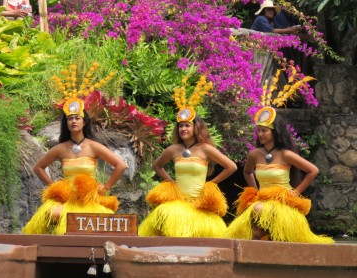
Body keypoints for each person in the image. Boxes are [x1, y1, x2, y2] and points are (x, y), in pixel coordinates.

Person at [138, 76, 237, 238]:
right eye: (181, 126)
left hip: (198, 204)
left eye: (187, 125)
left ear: (195, 128)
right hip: (178, 202)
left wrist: (211, 184)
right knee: (166, 219)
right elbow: (157, 166)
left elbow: (231, 166)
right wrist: (170, 181)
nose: (183, 129)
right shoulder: (173, 149)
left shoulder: (205, 149)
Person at [225, 107, 333, 243]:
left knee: (262, 216)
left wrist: (295, 192)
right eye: (259, 130)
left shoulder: (286, 154)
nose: (260, 134)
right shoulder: (255, 154)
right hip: (263, 201)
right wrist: (255, 191)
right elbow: (247, 172)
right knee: (255, 230)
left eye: (264, 130)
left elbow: (313, 170)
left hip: (282, 203)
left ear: (275, 132)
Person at [23, 98, 128, 234]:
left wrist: (105, 187)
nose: (73, 121)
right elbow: (38, 168)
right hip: (67, 198)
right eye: (70, 119)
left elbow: (121, 165)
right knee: (53, 214)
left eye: (77, 118)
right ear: (66, 123)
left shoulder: (93, 146)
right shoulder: (60, 148)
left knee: (100, 219)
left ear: (84, 122)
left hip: (88, 199)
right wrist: (54, 187)